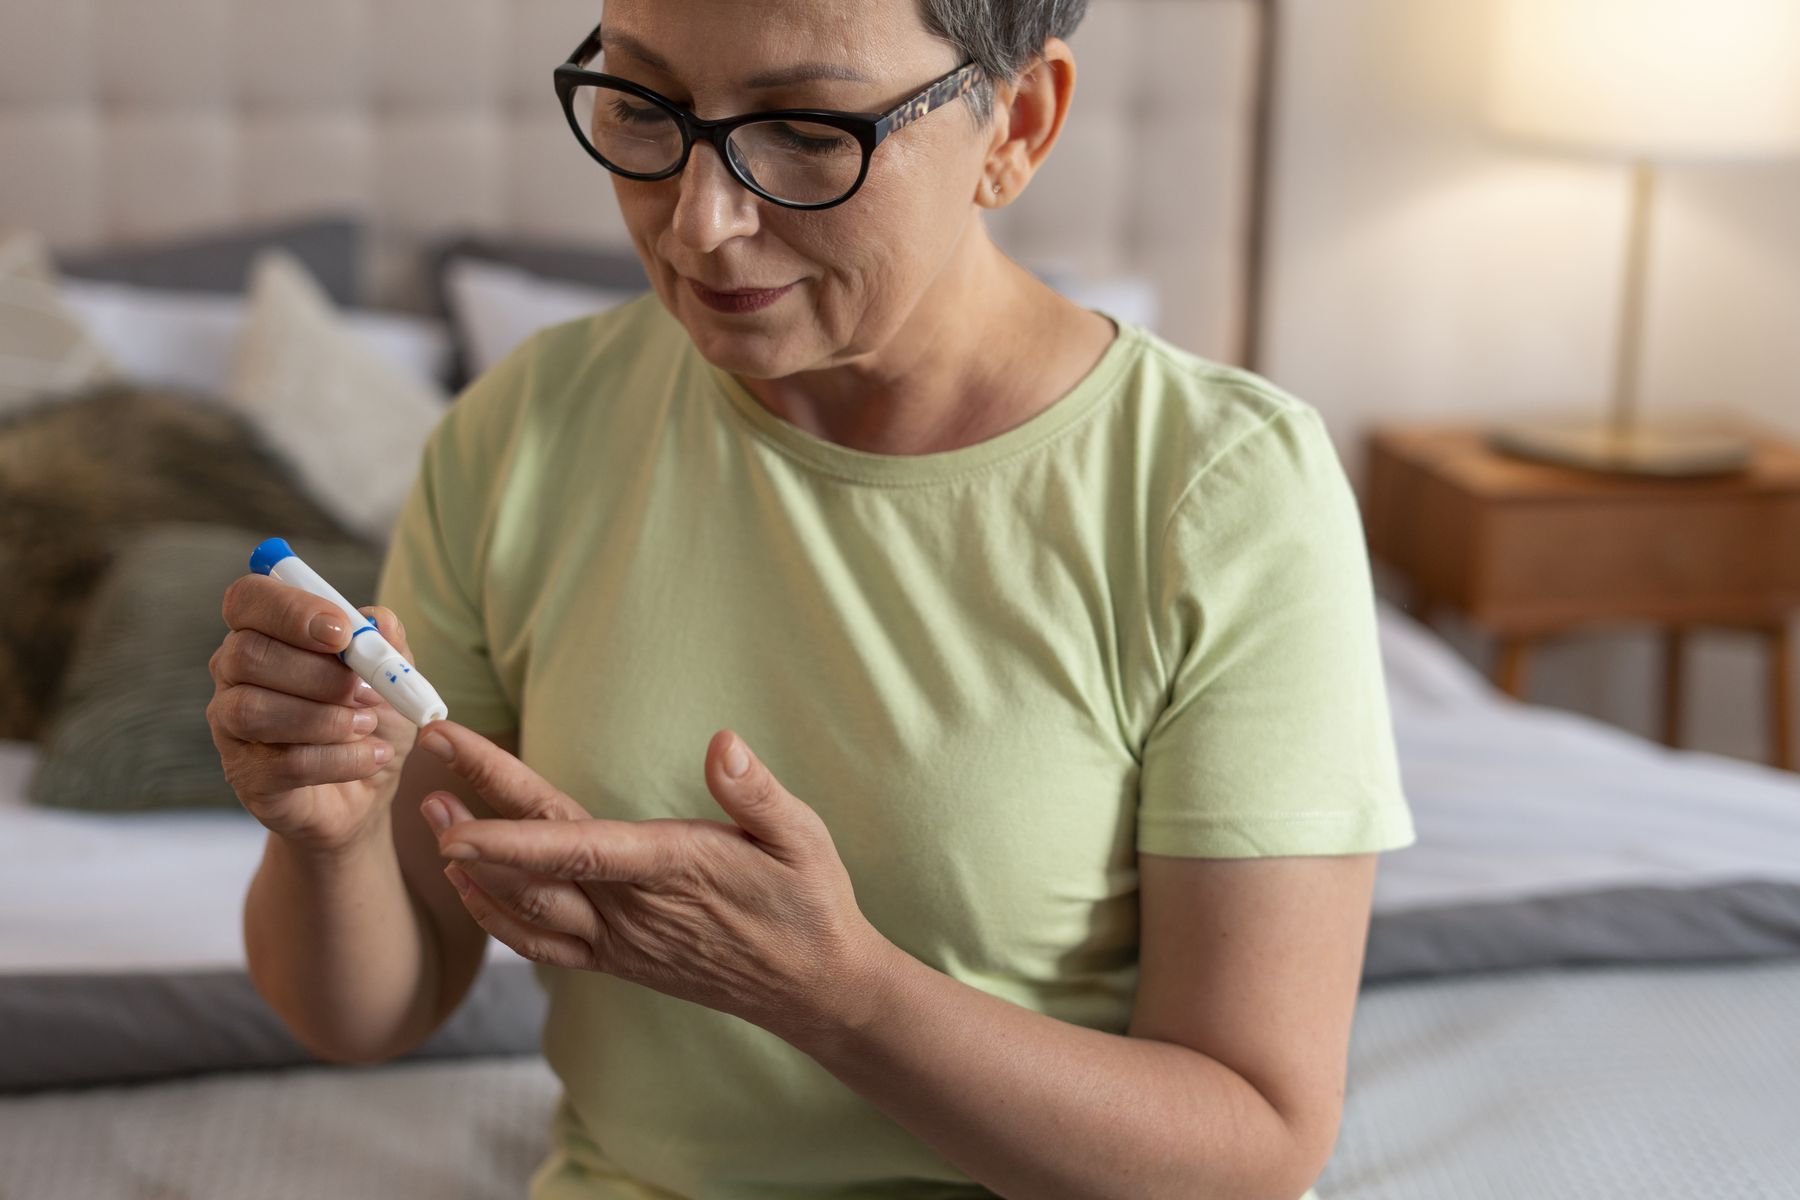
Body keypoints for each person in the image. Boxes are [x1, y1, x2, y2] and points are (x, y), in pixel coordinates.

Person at [210, 1, 1417, 1197]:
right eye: (643, 107)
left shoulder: (1218, 490)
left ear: (1019, 124)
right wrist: (330, 839)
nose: (702, 220)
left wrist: (834, 996)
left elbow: (1256, 1147)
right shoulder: (526, 431)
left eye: (804, 129)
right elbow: (372, 1012)